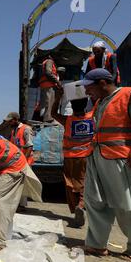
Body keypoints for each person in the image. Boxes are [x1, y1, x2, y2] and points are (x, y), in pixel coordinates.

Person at [81, 68, 131, 261]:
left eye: (89, 88)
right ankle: (96, 245)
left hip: (120, 159)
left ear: (102, 83)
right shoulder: (99, 102)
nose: (87, 92)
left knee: (127, 205)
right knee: (94, 201)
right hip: (97, 157)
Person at [52, 90, 94, 228]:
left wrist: (58, 98)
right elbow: (99, 104)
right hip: (86, 157)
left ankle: (77, 206)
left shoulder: (68, 120)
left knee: (70, 183)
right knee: (84, 183)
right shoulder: (92, 117)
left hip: (70, 158)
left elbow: (53, 114)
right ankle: (81, 205)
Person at [5, 112, 35, 210]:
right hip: (17, 161)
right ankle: (17, 204)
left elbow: (30, 146)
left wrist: (24, 161)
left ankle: (21, 205)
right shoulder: (14, 130)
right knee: (16, 182)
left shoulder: (26, 129)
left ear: (15, 119)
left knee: (22, 183)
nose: (8, 123)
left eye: (10, 121)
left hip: (24, 161)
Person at [39, 55, 63, 123]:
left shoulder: (45, 62)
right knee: (49, 103)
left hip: (45, 85)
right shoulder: (49, 61)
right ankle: (48, 118)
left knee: (48, 103)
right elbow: (48, 72)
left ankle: (48, 117)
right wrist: (57, 81)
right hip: (48, 85)